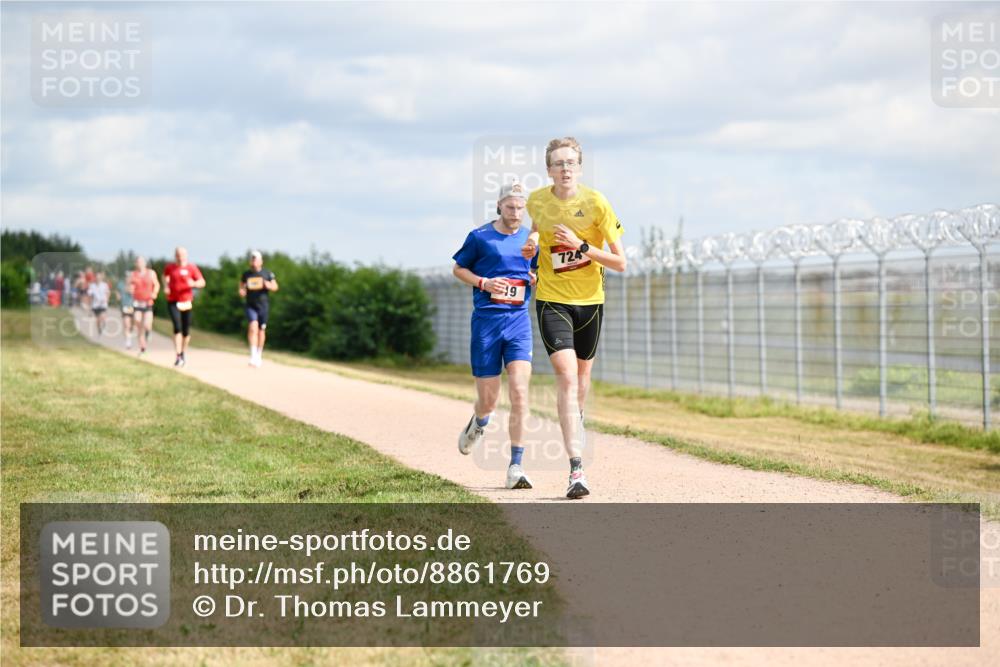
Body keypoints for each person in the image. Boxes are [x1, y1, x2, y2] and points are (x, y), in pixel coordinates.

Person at [521, 137, 627, 499]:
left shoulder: (596, 203)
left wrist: (581, 247)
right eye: (558, 164)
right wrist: (534, 241)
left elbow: (620, 262)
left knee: (581, 381)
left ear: (579, 168)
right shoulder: (537, 200)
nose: (565, 169)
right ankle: (576, 468)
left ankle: (574, 421)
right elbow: (535, 226)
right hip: (552, 300)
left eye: (570, 163)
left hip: (590, 303)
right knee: (566, 376)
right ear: (548, 169)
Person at [453, 181, 535, 490]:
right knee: (488, 401)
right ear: (499, 206)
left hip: (518, 324)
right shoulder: (480, 237)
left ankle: (516, 466)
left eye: (520, 207)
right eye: (510, 207)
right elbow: (458, 269)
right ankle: (480, 421)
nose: (516, 213)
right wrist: (484, 283)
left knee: (520, 392)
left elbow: (538, 272)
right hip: (487, 324)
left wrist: (535, 277)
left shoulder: (531, 239)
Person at [163, 247, 205, 367]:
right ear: (175, 255)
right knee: (177, 327)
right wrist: (166, 286)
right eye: (178, 254)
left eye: (182, 254)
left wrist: (194, 283)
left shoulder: (192, 268)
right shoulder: (170, 267)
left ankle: (182, 353)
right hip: (173, 301)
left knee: (186, 332)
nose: (180, 257)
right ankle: (177, 355)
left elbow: (202, 282)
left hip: (186, 301)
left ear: (186, 255)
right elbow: (165, 277)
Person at [239, 250, 279, 367]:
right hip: (251, 305)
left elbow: (275, 287)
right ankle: (253, 355)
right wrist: (242, 292)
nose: (253, 261)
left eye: (255, 259)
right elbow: (241, 289)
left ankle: (258, 354)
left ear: (261, 261)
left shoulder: (267, 273)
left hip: (263, 306)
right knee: (252, 327)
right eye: (252, 259)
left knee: (261, 330)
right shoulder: (246, 275)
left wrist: (268, 285)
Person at [129, 256, 160, 357]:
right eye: (138, 262)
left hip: (148, 302)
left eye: (141, 262)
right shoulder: (133, 274)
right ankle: (143, 348)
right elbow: (130, 286)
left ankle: (148, 332)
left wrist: (154, 293)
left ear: (145, 263)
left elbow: (157, 285)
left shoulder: (151, 273)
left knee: (147, 324)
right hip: (137, 302)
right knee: (138, 323)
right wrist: (131, 289)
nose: (140, 264)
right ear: (136, 264)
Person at [86, 271, 111, 335]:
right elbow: (90, 296)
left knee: (102, 316)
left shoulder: (105, 285)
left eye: (99, 277)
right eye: (97, 277)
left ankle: (104, 322)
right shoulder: (92, 285)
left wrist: (107, 300)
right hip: (95, 305)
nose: (98, 278)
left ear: (101, 278)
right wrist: (89, 307)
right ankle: (99, 328)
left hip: (103, 304)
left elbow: (108, 293)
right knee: (97, 320)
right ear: (95, 278)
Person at [115, 273, 136, 349]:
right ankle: (128, 341)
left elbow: (134, 292)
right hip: (125, 307)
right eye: (127, 277)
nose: (128, 278)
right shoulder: (120, 284)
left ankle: (130, 332)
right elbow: (117, 292)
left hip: (134, 307)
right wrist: (118, 296)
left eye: (130, 277)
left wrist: (130, 290)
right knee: (126, 324)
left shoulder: (135, 284)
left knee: (133, 324)